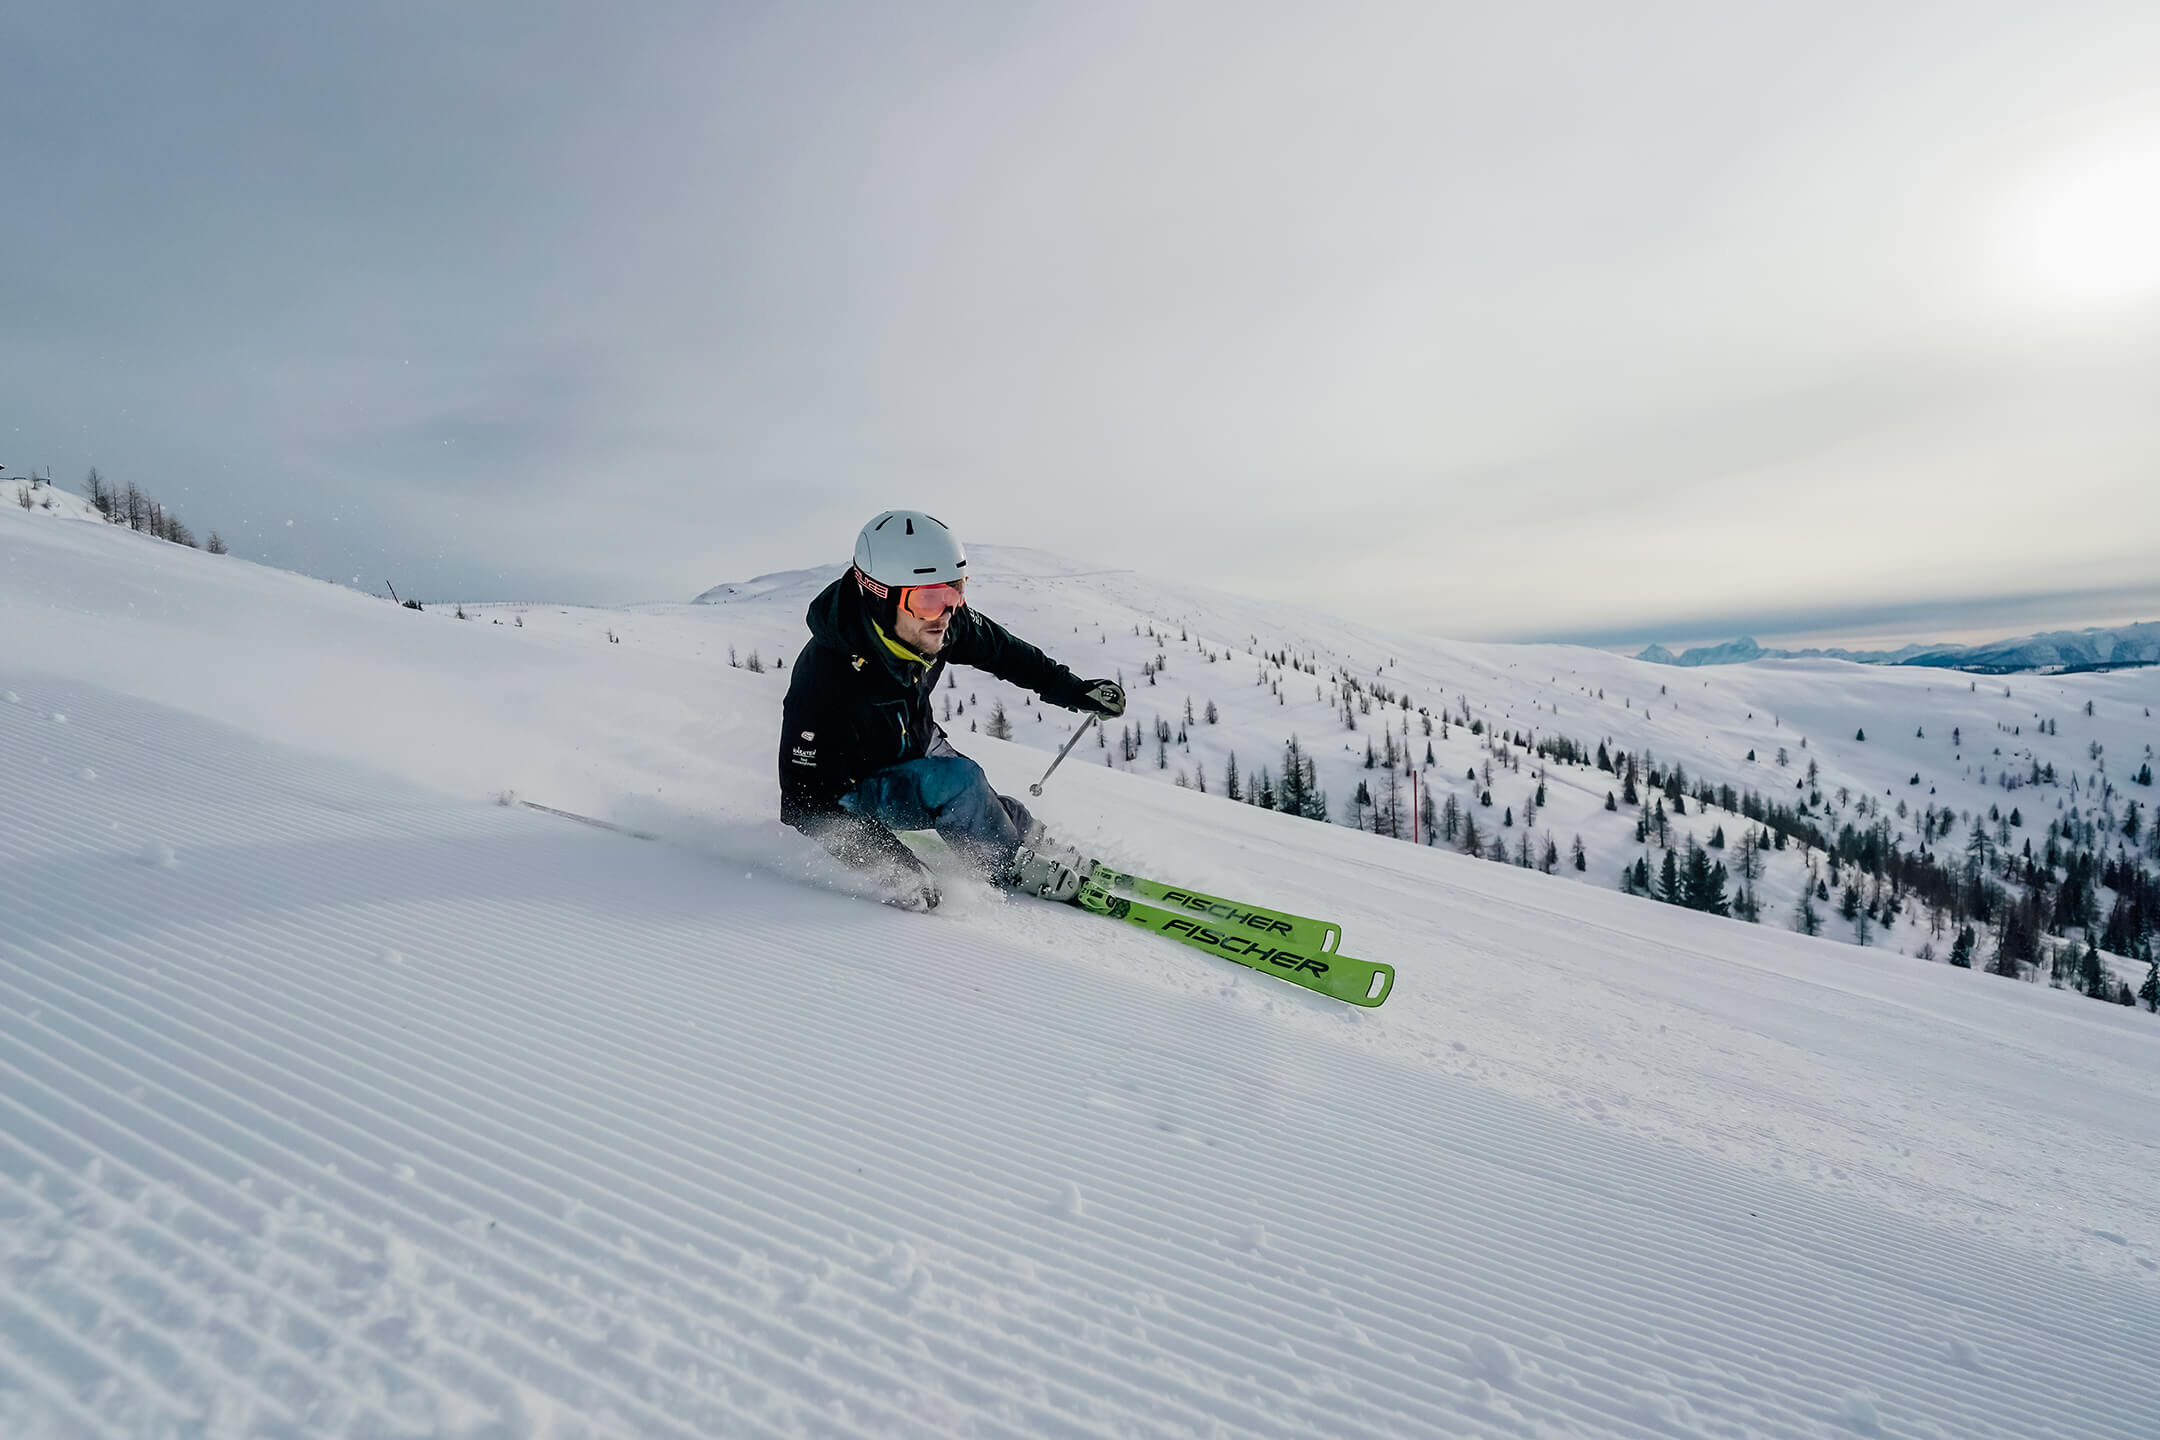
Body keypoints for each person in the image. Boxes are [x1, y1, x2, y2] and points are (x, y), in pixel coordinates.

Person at [779, 510, 1126, 911]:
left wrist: (1076, 692)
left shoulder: (934, 624)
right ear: (879, 595)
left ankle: (1026, 835)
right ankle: (1008, 862)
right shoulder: (826, 678)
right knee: (958, 782)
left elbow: (1006, 653)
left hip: (914, 746)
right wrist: (895, 868)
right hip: (856, 786)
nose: (946, 614)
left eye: (955, 592)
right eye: (929, 599)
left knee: (983, 801)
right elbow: (805, 802)